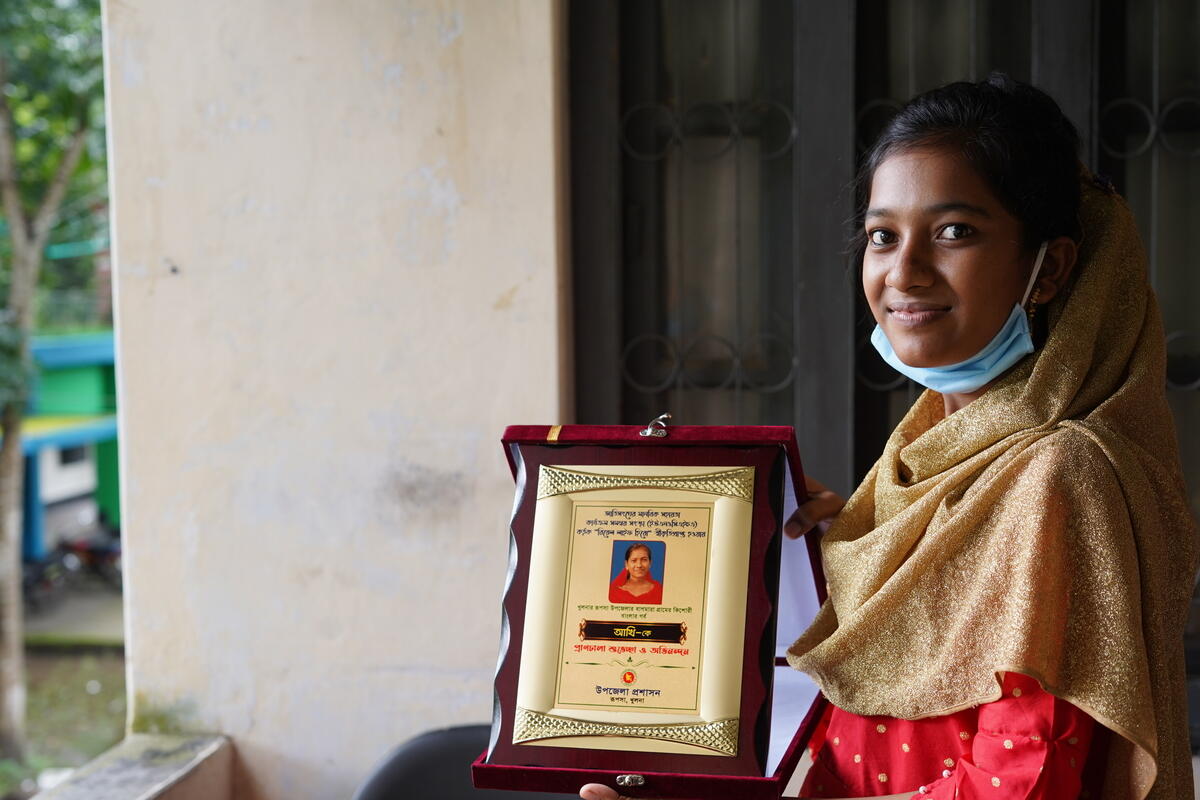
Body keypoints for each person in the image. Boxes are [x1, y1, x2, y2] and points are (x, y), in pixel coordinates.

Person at [580, 74, 1198, 800]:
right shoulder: (923, 459)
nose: (903, 271)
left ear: (1049, 268)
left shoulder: (1057, 473)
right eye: (882, 235)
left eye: (954, 231)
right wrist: (816, 562)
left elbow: (1020, 783)